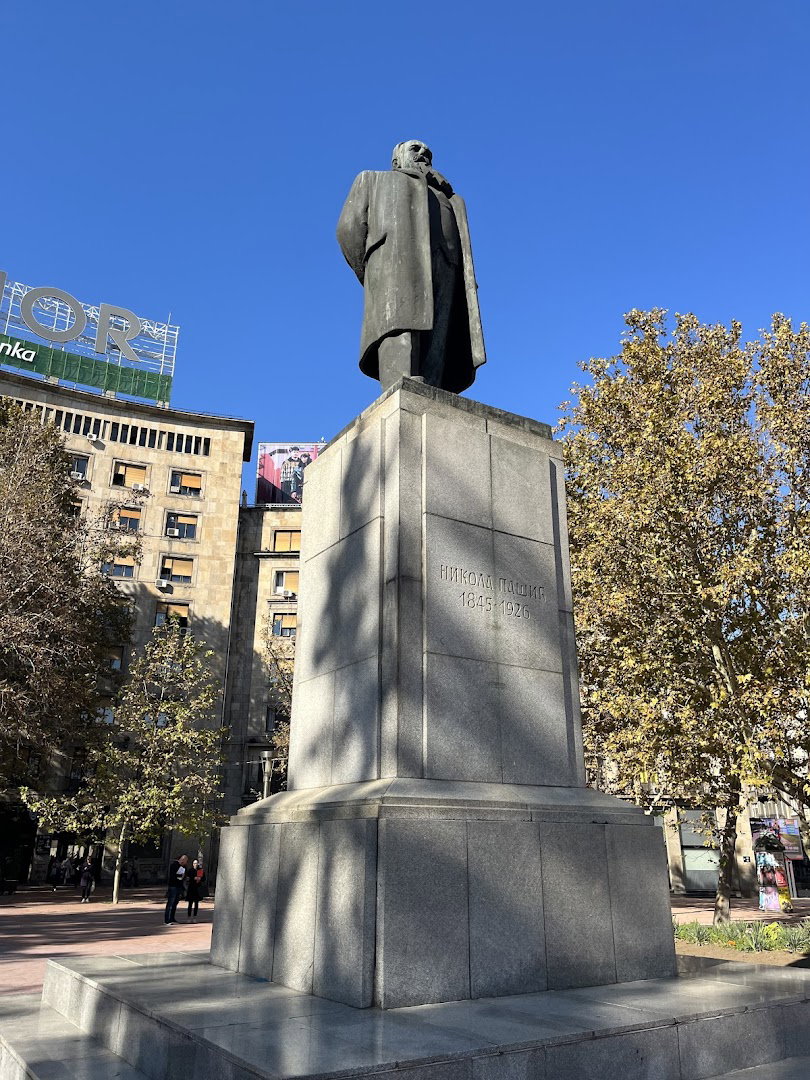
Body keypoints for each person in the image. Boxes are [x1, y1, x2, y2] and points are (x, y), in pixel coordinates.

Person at [337, 140, 486, 394]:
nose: (423, 154)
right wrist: (373, 272)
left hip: (447, 265)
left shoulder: (452, 199)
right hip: (396, 265)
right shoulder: (372, 180)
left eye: (428, 152)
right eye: (415, 149)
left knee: (441, 329)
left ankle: (435, 385)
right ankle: (400, 379)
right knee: (401, 325)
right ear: (396, 161)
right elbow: (348, 230)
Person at [164, 854, 188, 925]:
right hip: (173, 886)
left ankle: (172, 918)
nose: (186, 862)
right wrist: (179, 877)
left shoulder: (184, 867)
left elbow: (184, 875)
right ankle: (167, 920)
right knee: (170, 903)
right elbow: (173, 876)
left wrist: (183, 877)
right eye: (185, 861)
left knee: (175, 903)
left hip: (179, 886)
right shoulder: (174, 865)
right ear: (182, 860)